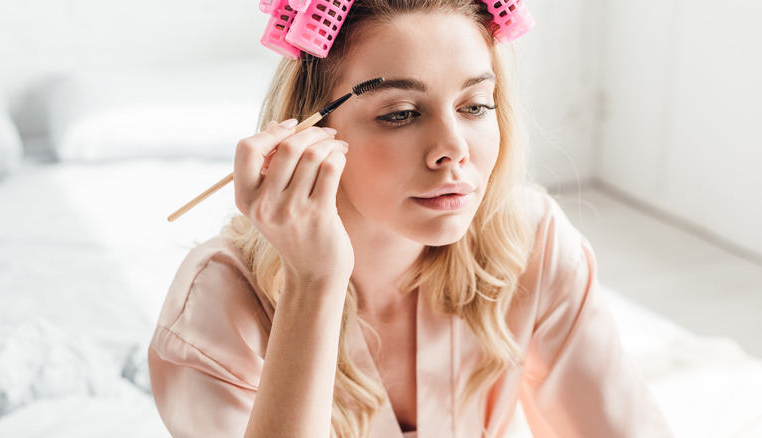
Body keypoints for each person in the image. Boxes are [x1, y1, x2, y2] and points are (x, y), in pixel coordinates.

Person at [148, 0, 675, 437]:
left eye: (474, 107)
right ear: (305, 132)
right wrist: (313, 284)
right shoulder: (214, 305)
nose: (452, 150)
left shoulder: (533, 239)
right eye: (400, 113)